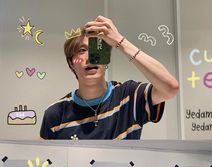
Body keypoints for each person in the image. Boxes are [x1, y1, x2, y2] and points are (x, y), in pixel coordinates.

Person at [40, 15, 179, 140]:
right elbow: (46, 164)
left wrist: (119, 41)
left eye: (97, 50)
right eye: (81, 50)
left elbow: (170, 87)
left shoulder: (128, 96)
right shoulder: (56, 114)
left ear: (106, 59)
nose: (90, 58)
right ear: (71, 62)